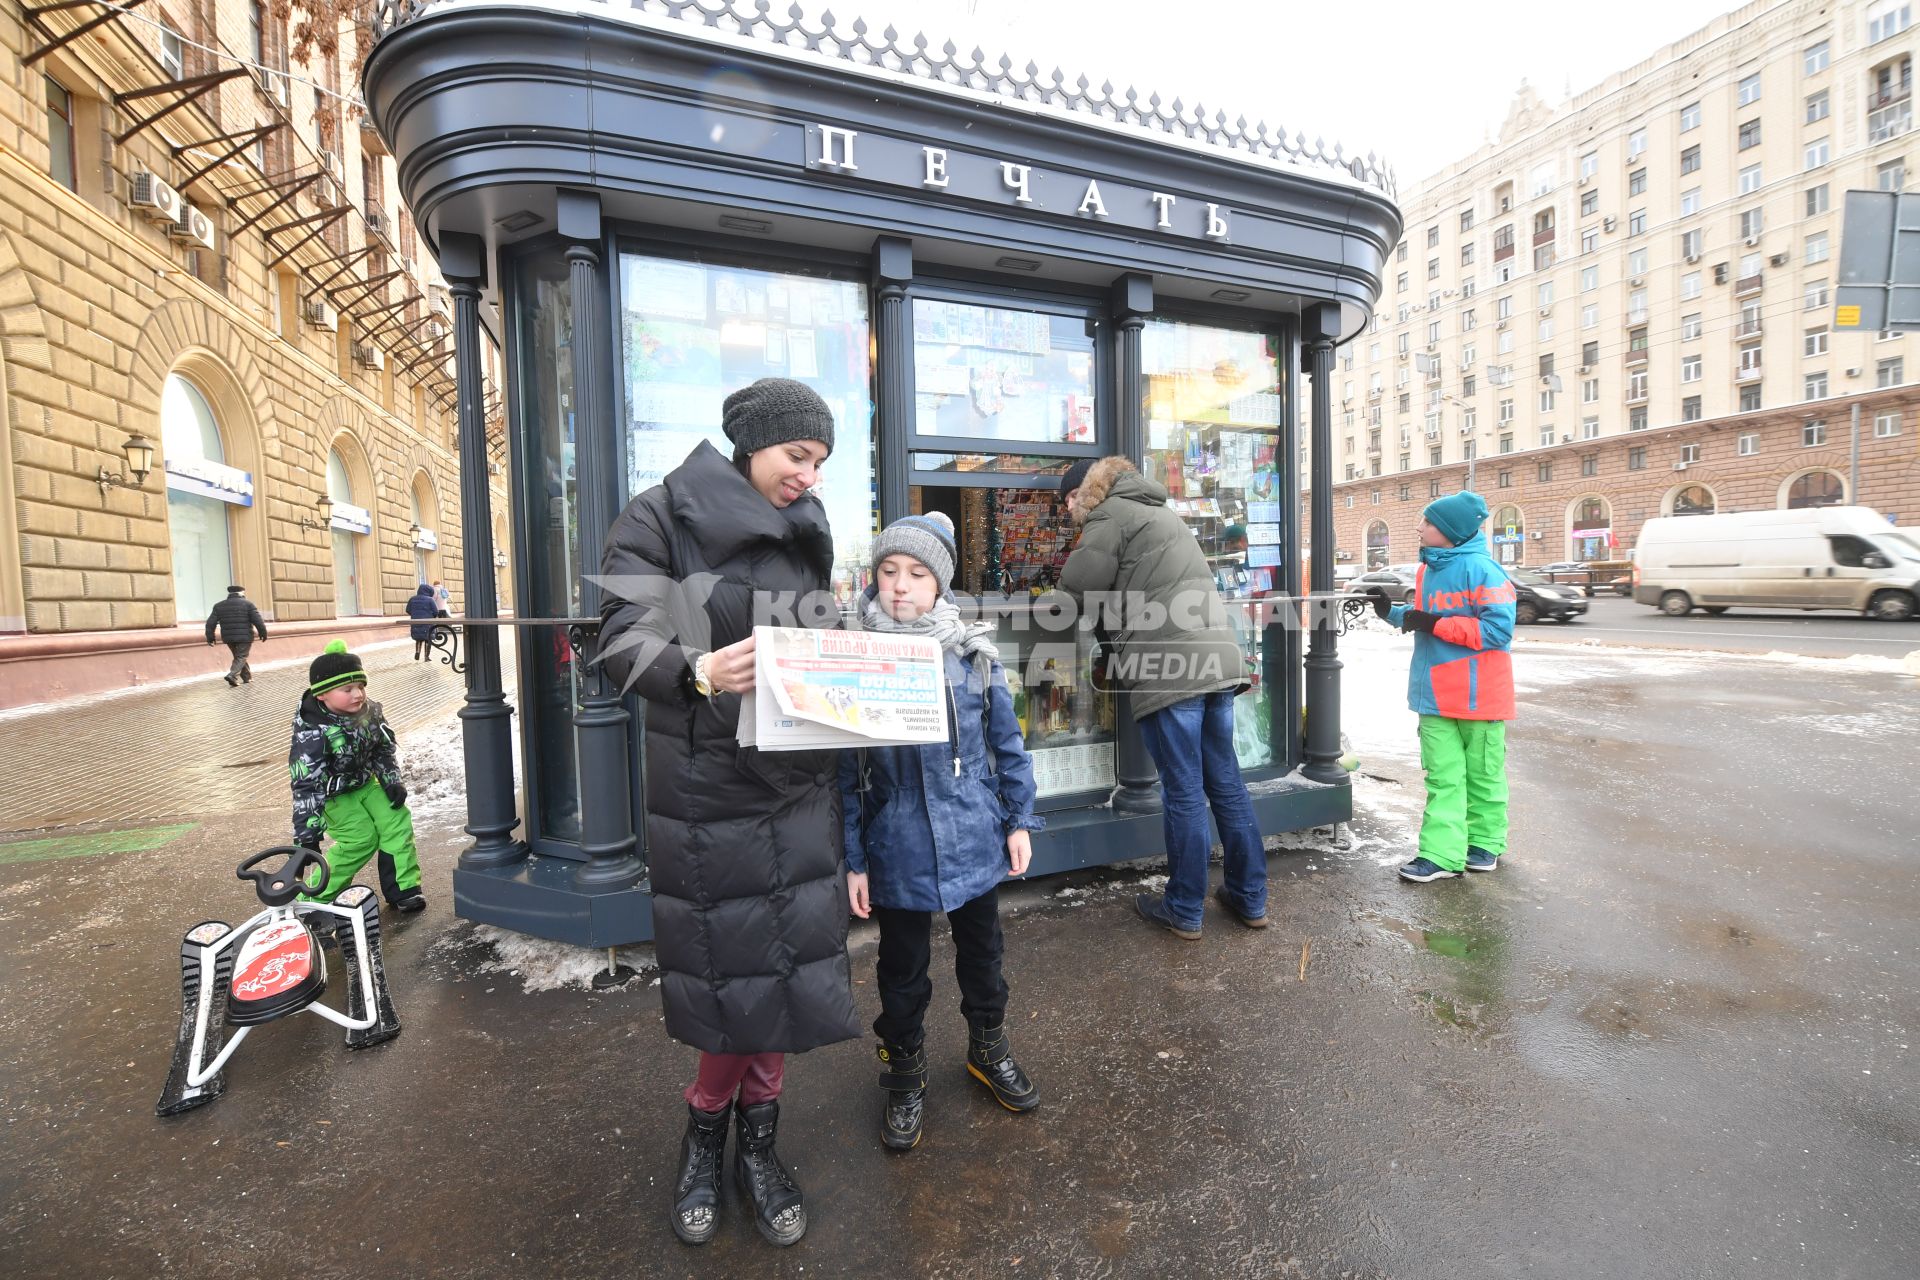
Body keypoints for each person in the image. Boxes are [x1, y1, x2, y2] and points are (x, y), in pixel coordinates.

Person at [598, 377, 858, 1249]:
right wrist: (701, 671)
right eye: (797, 455)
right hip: (708, 788)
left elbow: (815, 644)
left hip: (799, 784)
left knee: (789, 978)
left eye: (819, 461)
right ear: (751, 443)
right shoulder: (658, 517)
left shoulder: (809, 530)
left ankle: (762, 1148)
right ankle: (705, 1136)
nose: (808, 476)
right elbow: (616, 640)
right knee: (732, 977)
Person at [840, 512, 1044, 1153]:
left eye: (917, 574)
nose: (900, 586)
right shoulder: (852, 656)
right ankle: (904, 1072)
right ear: (874, 580)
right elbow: (843, 774)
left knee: (984, 957)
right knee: (902, 971)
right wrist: (854, 858)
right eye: (889, 572)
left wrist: (1017, 818)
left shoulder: (974, 657)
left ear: (941, 586)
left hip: (974, 834)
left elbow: (1007, 745)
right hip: (895, 843)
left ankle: (988, 1047)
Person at [1055, 456, 1267, 940]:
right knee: (1226, 783)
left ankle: (1185, 907)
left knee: (1185, 789)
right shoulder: (1158, 511)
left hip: (1171, 669)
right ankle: (1250, 897)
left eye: (1068, 499)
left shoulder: (1109, 515)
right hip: (1216, 661)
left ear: (1085, 492)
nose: (1068, 510)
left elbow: (1074, 591)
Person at [1372, 491, 1515, 883]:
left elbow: (1498, 631)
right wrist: (1391, 613)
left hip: (1480, 696)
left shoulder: (1484, 571)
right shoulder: (1426, 570)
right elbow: (1424, 618)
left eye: (1428, 522)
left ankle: (1484, 843)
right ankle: (1440, 855)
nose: (1419, 527)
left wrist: (1434, 624)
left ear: (1450, 531)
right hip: (1433, 694)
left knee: (1483, 775)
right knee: (1442, 777)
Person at [288, 640, 425, 912]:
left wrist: (391, 780)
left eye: (361, 686)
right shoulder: (312, 731)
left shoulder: (370, 712)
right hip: (332, 795)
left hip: (364, 783)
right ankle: (314, 900)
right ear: (322, 694)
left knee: (396, 821)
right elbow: (306, 784)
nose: (358, 694)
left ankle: (403, 888)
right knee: (361, 840)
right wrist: (308, 833)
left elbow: (382, 749)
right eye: (347, 689)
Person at [204, 584, 267, 687]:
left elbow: (210, 623)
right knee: (241, 656)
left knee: (239, 656)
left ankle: (247, 677)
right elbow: (258, 621)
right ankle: (232, 675)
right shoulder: (248, 604)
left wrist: (210, 637)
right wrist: (263, 633)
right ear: (241, 593)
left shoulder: (219, 606)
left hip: (228, 637)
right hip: (244, 636)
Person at [405, 583, 439, 660]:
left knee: (418, 638)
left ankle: (417, 652)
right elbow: (436, 611)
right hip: (428, 623)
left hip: (416, 622)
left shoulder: (412, 599)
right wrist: (432, 616)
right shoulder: (430, 600)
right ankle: (426, 656)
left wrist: (415, 615)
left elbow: (408, 610)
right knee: (428, 639)